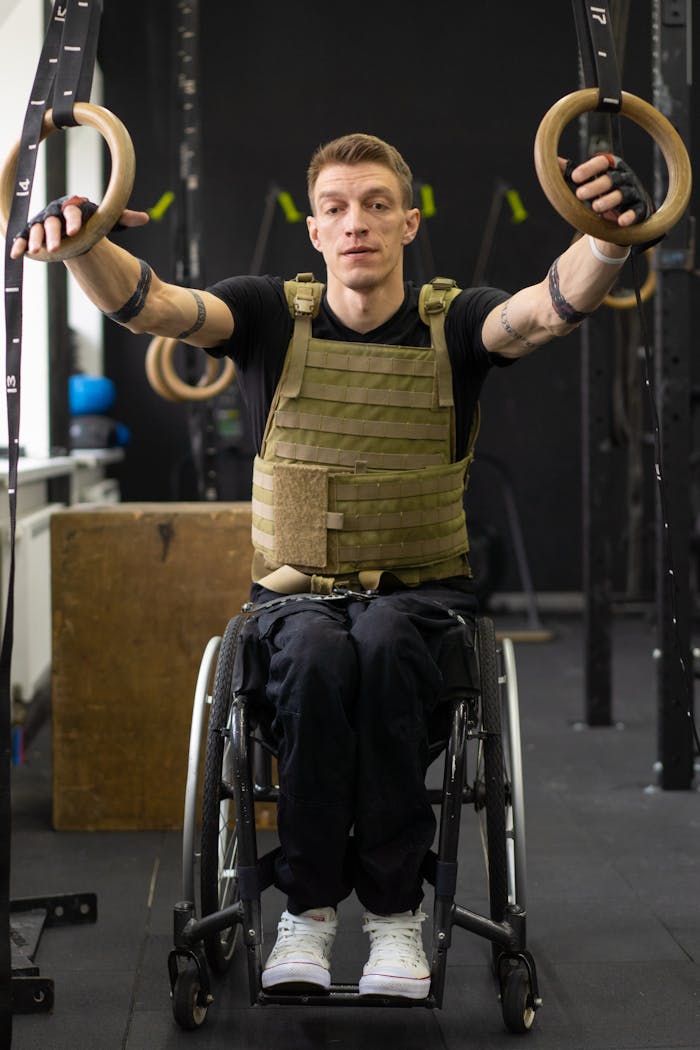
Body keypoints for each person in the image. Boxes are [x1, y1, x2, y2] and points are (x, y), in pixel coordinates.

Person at [10, 133, 650, 1000]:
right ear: (314, 231)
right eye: (339, 208)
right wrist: (84, 245)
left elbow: (542, 310)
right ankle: (306, 914)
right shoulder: (270, 315)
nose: (358, 224)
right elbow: (158, 306)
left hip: (423, 604)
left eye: (378, 205)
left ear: (409, 223)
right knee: (316, 655)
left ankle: (392, 920)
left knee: (383, 639)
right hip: (293, 603)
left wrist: (607, 234)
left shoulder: (455, 321)